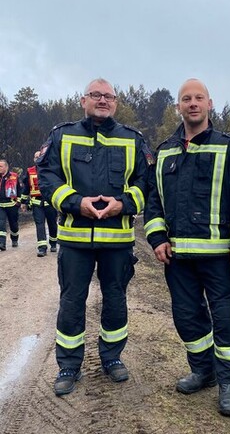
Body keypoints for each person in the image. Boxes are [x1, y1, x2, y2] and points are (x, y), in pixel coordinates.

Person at [144, 78, 230, 417]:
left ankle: (229, 382)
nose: (192, 103)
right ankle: (203, 370)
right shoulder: (164, 150)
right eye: (185, 99)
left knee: (225, 320)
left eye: (198, 98)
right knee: (187, 317)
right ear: (178, 107)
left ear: (210, 104)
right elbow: (154, 201)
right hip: (178, 257)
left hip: (220, 257)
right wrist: (157, 238)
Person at [38, 78, 153, 396]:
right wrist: (77, 203)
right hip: (75, 240)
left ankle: (112, 358)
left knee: (115, 301)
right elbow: (47, 177)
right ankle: (69, 365)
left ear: (115, 102)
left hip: (117, 240)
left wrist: (123, 204)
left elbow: (146, 182)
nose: (103, 100)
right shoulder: (62, 135)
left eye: (109, 96)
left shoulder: (132, 139)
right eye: (96, 95)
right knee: (72, 302)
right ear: (83, 100)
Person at [21, 150, 58, 257]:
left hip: (50, 203)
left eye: (40, 156)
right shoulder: (30, 171)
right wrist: (23, 202)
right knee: (39, 224)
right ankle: (42, 248)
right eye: (36, 157)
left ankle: (53, 243)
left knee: (52, 224)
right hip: (37, 203)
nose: (38, 159)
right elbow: (26, 187)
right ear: (33, 159)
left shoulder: (51, 169)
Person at [0, 158, 21, 251]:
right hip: (1, 205)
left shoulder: (14, 176)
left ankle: (15, 239)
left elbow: (19, 191)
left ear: (6, 167)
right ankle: (2, 243)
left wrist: (19, 202)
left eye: (0, 166)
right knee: (1, 224)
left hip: (12, 205)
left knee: (14, 225)